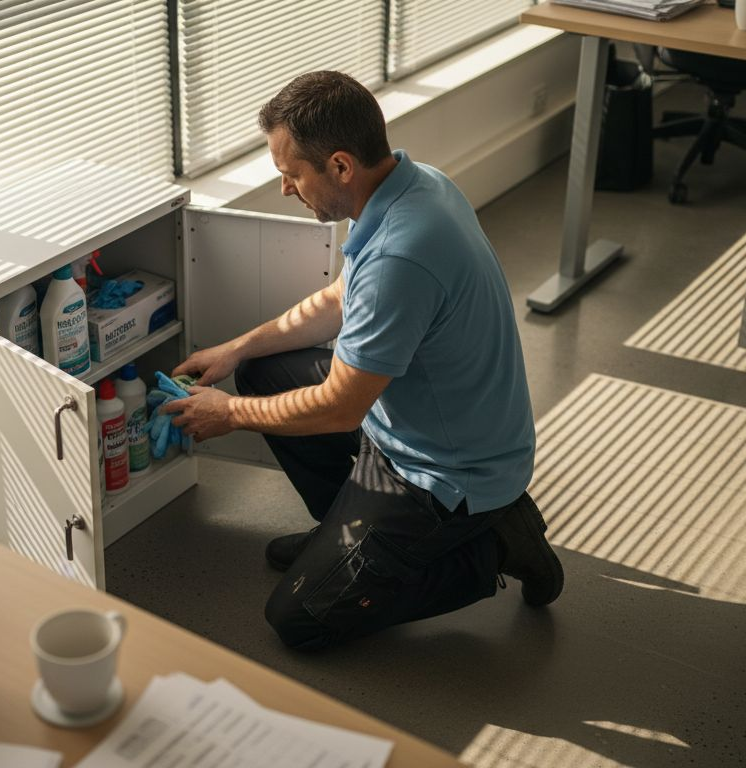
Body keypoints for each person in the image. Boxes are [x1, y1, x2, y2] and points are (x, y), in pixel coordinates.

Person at [160, 71, 563, 651]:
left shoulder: (402, 252)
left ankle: (498, 545)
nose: (285, 189)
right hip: (420, 425)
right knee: (261, 372)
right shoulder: (416, 184)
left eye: (291, 174)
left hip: (446, 474)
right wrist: (238, 348)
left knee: (300, 618)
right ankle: (344, 540)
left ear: (341, 166)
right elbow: (337, 302)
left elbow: (341, 407)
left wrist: (229, 415)